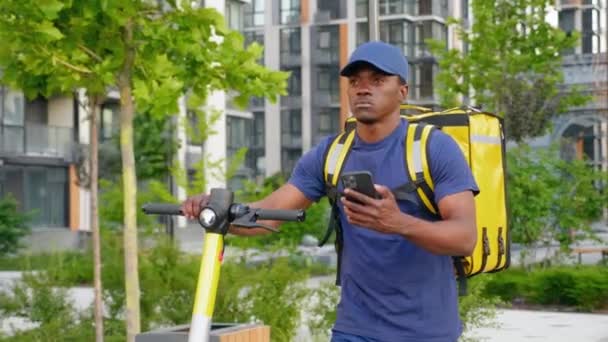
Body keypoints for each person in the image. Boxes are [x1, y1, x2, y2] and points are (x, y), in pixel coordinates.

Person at [182, 41, 479, 342]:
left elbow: (465, 237)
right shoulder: (331, 153)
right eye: (355, 82)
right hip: (355, 329)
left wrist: (397, 222)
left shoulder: (434, 148)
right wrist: (216, 211)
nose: (363, 89)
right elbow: (267, 217)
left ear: (402, 91)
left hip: (427, 332)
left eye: (377, 80)